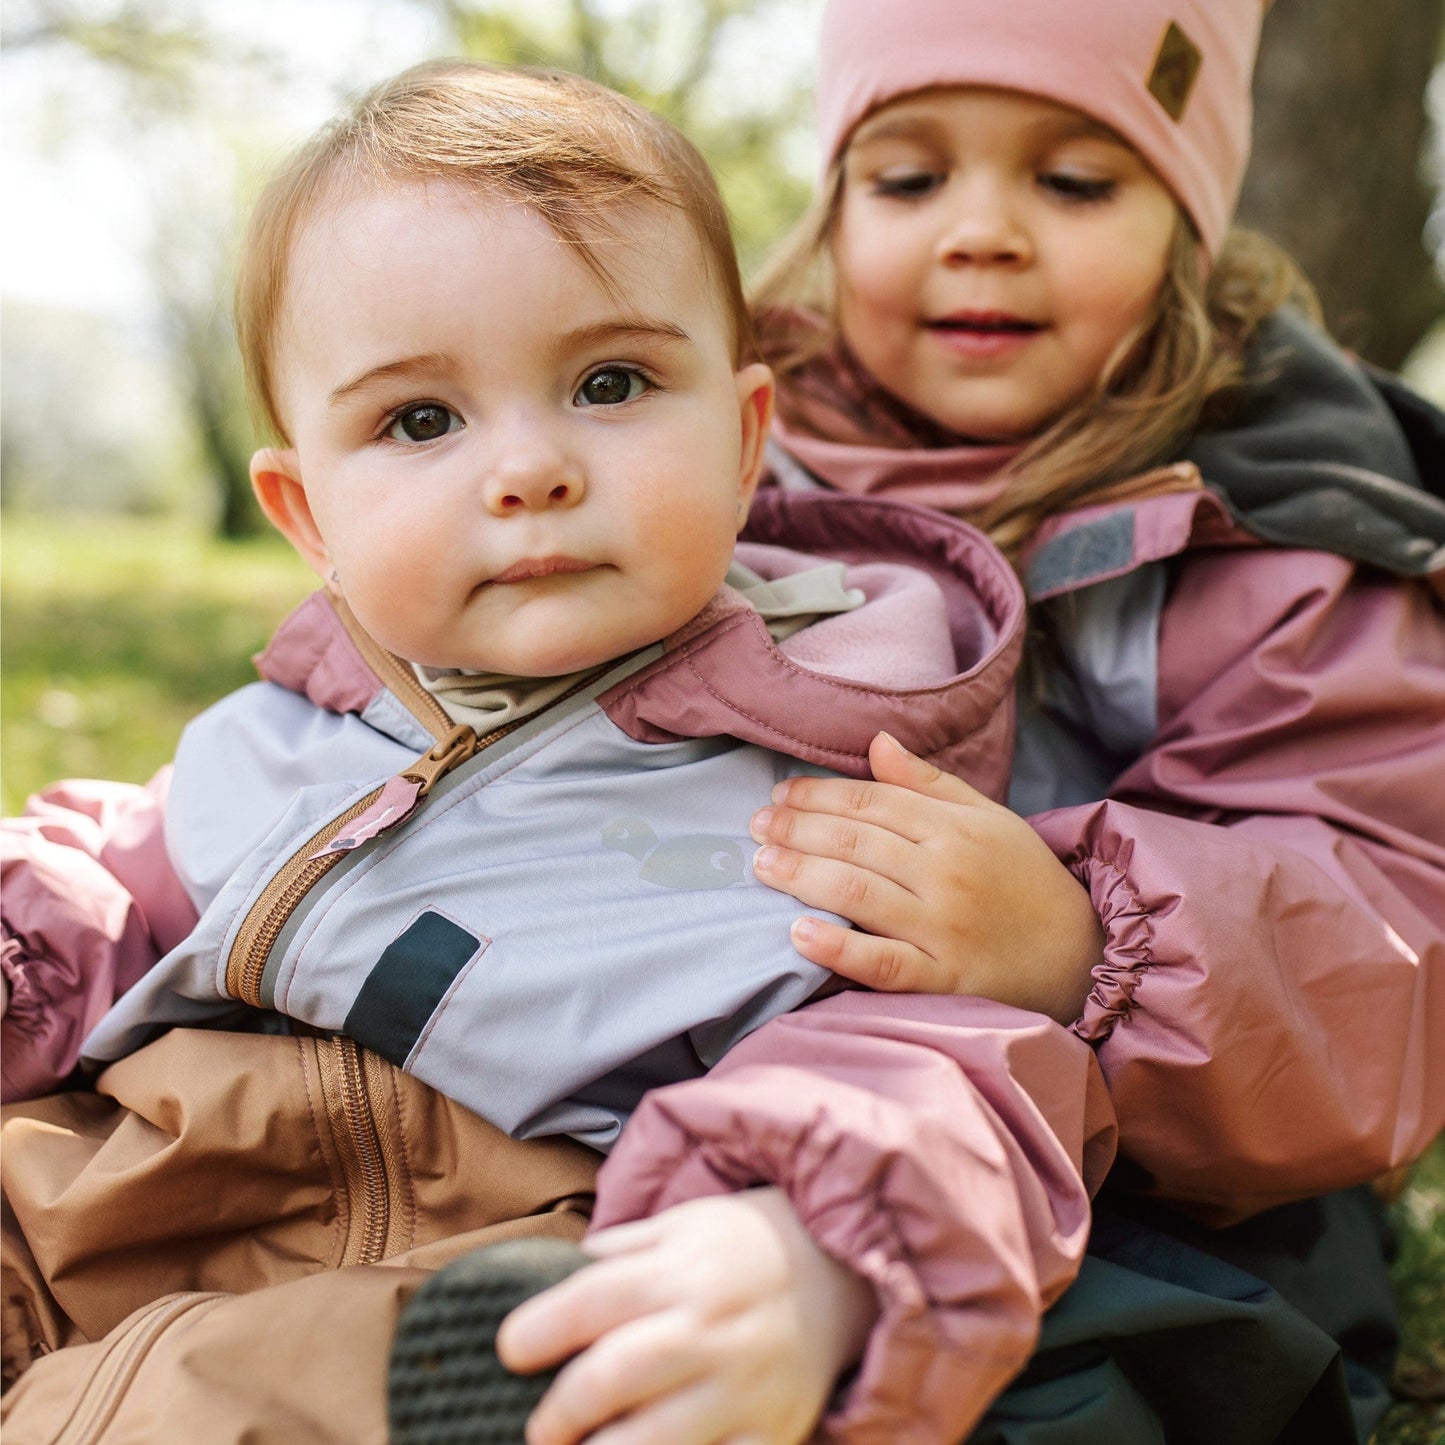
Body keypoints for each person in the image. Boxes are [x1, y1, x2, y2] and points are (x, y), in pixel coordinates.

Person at [2, 59, 1115, 1445]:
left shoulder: (838, 760)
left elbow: (935, 1064)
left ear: (743, 437)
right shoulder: (299, 724)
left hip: (492, 1238)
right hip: (159, 1154)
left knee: (199, 1405)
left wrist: (806, 1249)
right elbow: (128, 873)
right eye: (421, 419)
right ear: (307, 513)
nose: (527, 468)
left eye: (608, 382)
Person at [574, 0, 1439, 1438]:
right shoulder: (721, 459)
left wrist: (1081, 942)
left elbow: (1387, 944)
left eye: (1073, 179)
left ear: (1187, 213)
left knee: (1068, 1382)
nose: (980, 230)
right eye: (909, 178)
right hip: (718, 1055)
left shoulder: (1279, 537)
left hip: (1144, 1179)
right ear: (834, 204)